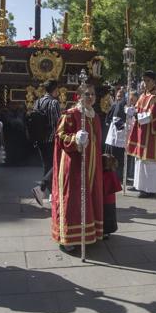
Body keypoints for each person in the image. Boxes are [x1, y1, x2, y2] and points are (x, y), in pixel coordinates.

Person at [51, 81, 103, 253]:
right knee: (72, 200)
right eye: (86, 94)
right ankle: (67, 238)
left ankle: (87, 233)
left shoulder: (94, 116)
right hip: (73, 165)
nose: (90, 97)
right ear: (79, 96)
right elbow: (59, 136)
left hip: (92, 164)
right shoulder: (71, 114)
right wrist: (75, 139)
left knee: (89, 197)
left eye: (92, 94)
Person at [127, 70, 156, 197]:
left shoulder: (155, 97)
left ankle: (150, 189)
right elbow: (137, 109)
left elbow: (153, 116)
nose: (145, 83)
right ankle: (140, 186)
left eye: (148, 80)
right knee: (140, 160)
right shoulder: (143, 95)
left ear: (154, 82)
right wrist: (131, 111)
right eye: (144, 80)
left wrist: (137, 115)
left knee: (149, 162)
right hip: (141, 133)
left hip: (151, 134)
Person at [31, 79, 62, 207]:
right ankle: (42, 188)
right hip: (51, 138)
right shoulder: (54, 103)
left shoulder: (38, 102)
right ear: (55, 90)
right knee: (55, 164)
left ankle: (51, 194)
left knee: (47, 165)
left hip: (39, 139)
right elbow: (58, 122)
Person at [104, 85, 127, 178]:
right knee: (112, 157)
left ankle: (118, 175)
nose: (119, 98)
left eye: (121, 96)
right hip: (113, 136)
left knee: (119, 158)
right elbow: (109, 119)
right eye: (118, 96)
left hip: (121, 137)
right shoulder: (115, 105)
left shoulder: (124, 105)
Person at [102, 153, 121, 238]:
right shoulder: (112, 173)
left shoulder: (104, 175)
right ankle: (107, 231)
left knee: (105, 216)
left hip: (104, 201)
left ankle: (104, 232)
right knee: (110, 216)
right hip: (110, 201)